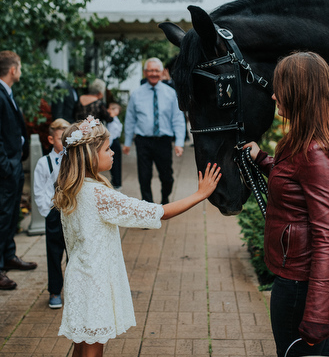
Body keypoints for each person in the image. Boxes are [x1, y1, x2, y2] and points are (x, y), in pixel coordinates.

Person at [53, 116, 221, 357]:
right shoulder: (99, 195)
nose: (113, 153)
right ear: (90, 156)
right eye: (107, 149)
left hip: (79, 277)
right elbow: (158, 212)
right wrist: (200, 194)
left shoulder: (73, 189)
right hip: (95, 283)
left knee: (81, 345)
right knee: (92, 349)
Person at [243, 52, 329, 357]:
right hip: (304, 273)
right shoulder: (304, 139)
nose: (272, 94)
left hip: (306, 279)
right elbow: (295, 182)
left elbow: (327, 238)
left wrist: (317, 317)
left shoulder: (316, 153)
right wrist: (263, 160)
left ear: (299, 92)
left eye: (280, 87)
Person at [0, 50, 37, 291]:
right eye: (20, 66)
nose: (20, 70)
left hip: (14, 163)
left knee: (12, 214)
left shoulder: (5, 92)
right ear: (12, 69)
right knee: (2, 218)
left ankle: (8, 256)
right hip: (6, 168)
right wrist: (5, 167)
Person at [123, 57, 186, 204]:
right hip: (143, 141)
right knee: (144, 176)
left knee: (167, 177)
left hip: (163, 141)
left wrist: (179, 142)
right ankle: (148, 208)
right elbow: (130, 119)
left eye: (156, 70)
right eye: (150, 70)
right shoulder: (136, 94)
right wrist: (127, 142)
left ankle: (165, 198)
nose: (153, 73)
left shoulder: (171, 93)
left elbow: (178, 119)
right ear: (145, 72)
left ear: (162, 72)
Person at [33, 118, 70, 309]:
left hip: (72, 212)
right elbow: (39, 190)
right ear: (50, 139)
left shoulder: (74, 159)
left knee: (74, 253)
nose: (63, 143)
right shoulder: (43, 162)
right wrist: (47, 212)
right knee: (54, 253)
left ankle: (75, 290)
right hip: (54, 213)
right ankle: (55, 291)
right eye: (59, 138)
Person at [106, 102, 123, 189]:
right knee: (114, 163)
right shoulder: (111, 120)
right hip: (112, 142)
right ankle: (116, 181)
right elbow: (111, 133)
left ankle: (117, 182)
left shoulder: (115, 119)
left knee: (117, 162)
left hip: (116, 142)